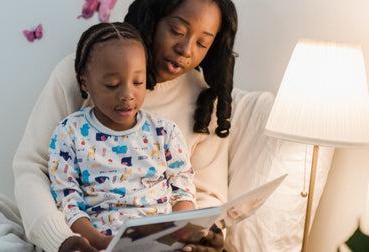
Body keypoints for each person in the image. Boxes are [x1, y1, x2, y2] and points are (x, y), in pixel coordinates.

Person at [13, 0, 237, 251]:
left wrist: (198, 236)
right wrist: (63, 241)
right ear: (153, 18)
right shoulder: (86, 71)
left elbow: (202, 192)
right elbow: (33, 169)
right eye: (177, 31)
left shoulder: (204, 104)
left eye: (202, 42)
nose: (186, 49)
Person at [48, 22, 197, 250]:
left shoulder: (165, 131)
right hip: (102, 243)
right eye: (112, 84)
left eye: (138, 82)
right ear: (84, 82)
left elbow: (183, 189)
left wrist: (179, 234)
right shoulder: (69, 133)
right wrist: (98, 241)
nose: (127, 94)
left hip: (161, 241)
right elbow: (67, 200)